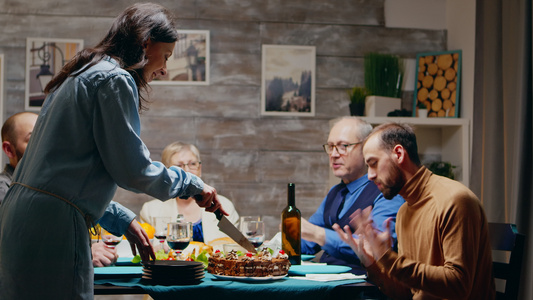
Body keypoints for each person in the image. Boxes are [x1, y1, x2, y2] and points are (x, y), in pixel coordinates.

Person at [0, 3, 226, 299]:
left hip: (20, 222)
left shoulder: (81, 72)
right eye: (166, 56)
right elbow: (133, 170)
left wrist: (123, 220)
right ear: (146, 43)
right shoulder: (114, 78)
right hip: (52, 227)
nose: (164, 69)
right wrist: (191, 183)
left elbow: (60, 180)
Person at [334, 122, 495, 299]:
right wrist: (371, 262)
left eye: (374, 163)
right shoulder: (404, 213)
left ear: (398, 154)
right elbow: (405, 294)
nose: (370, 175)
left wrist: (387, 257)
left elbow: (458, 286)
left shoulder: (455, 200)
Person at [0, 111, 120, 268]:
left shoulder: (47, 187)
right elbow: (21, 247)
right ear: (9, 150)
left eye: (45, 138)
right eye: (33, 140)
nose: (44, 146)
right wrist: (84, 251)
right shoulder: (4, 191)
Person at [301, 117, 404, 274]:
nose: (334, 154)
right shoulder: (335, 193)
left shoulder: (386, 191)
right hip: (325, 283)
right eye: (330, 147)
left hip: (363, 288)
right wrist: (272, 245)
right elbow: (307, 242)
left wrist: (319, 234)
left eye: (343, 146)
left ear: (366, 148)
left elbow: (376, 251)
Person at [140, 142, 240, 244]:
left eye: (192, 164)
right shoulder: (150, 211)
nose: (187, 171)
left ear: (199, 169)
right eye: (179, 166)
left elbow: (236, 247)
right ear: (166, 174)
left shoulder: (225, 206)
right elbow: (148, 250)